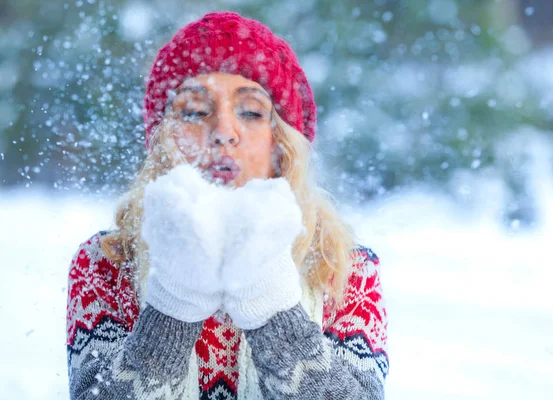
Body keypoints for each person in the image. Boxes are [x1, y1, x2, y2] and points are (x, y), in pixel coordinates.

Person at [66, 11, 388, 400]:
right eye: (196, 111)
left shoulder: (344, 269)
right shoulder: (106, 263)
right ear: (166, 140)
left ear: (281, 142)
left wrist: (274, 309)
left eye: (251, 112)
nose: (222, 132)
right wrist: (172, 305)